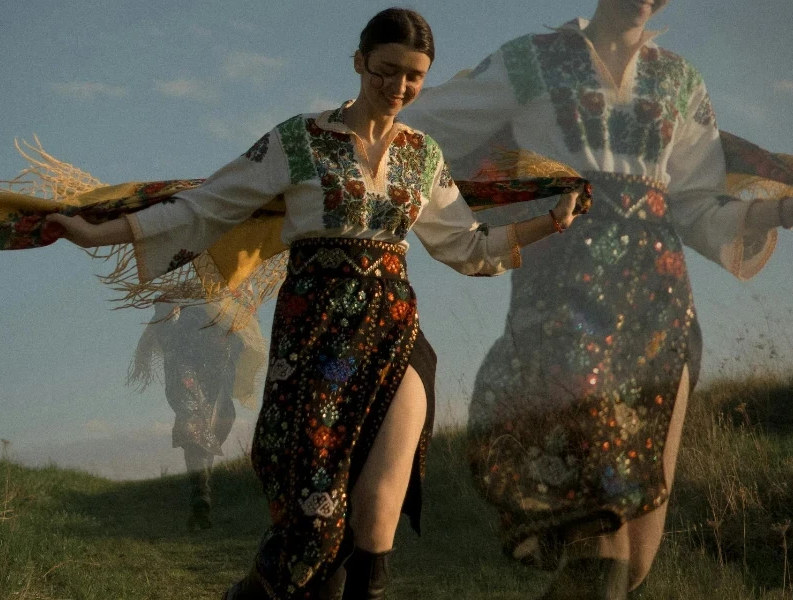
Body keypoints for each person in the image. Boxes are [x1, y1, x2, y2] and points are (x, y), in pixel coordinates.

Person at [46, 8, 587, 599]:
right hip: (315, 337)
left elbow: (466, 246)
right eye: (386, 70)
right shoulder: (298, 140)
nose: (399, 87)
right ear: (358, 63)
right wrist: (98, 234)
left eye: (414, 77)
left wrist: (548, 225)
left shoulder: (424, 155)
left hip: (395, 333)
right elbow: (206, 206)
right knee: (316, 524)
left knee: (378, 514)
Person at [402, 0, 793, 598]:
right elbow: (415, 132)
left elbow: (695, 206)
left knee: (635, 559)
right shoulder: (531, 61)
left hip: (662, 306)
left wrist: (784, 210)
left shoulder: (679, 79)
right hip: (563, 301)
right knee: (600, 537)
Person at [129, 299, 267, 530]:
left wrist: (236, 321)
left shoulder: (223, 293)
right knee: (193, 425)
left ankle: (202, 491)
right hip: (188, 361)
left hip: (214, 364)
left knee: (215, 424)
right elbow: (164, 323)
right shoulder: (182, 294)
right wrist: (168, 311)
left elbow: (240, 330)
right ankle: (200, 494)